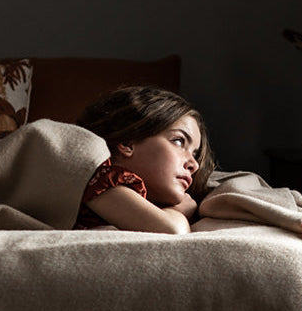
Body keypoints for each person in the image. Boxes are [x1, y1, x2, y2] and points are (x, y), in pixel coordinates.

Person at [74, 86, 215, 234]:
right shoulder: (102, 182)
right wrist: (177, 211)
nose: (194, 165)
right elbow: (172, 230)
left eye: (194, 154)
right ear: (127, 143)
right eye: (179, 141)